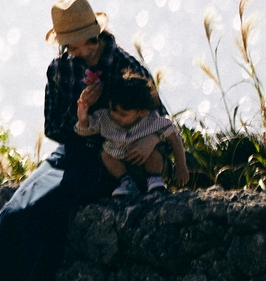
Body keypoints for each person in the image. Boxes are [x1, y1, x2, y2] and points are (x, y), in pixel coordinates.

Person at [0, 0, 163, 281]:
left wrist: (148, 145)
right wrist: (81, 115)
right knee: (11, 213)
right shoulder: (60, 69)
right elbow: (54, 127)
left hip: (108, 159)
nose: (69, 51)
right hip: (69, 153)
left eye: (71, 44)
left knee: (43, 213)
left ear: (91, 38)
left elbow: (157, 116)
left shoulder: (125, 67)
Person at [80, 69, 189, 197]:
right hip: (123, 167)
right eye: (112, 110)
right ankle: (127, 182)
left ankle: (155, 180)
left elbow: (174, 138)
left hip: (149, 166)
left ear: (141, 112)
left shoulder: (152, 120)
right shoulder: (104, 118)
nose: (115, 116)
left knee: (156, 152)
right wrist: (83, 119)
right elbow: (86, 130)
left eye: (123, 114)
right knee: (105, 154)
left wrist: (181, 166)